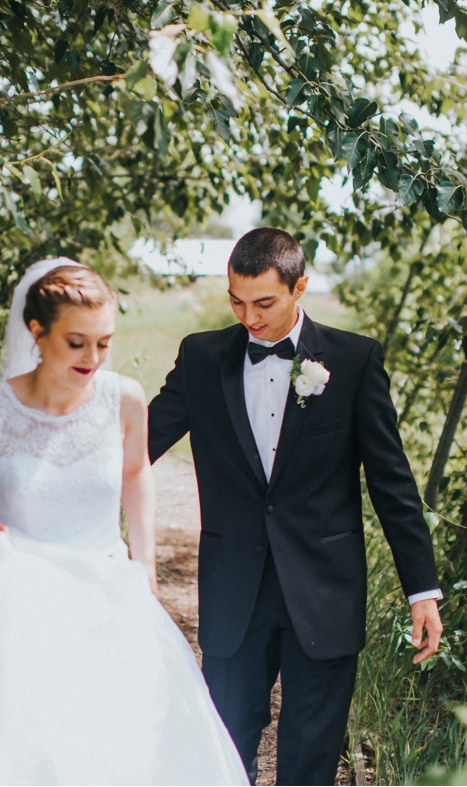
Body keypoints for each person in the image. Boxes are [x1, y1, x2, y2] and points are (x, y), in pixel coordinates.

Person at [0, 259, 247, 785]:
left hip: (107, 588)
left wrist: (145, 566)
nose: (93, 358)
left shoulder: (124, 400)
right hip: (20, 596)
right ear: (37, 332)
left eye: (104, 342)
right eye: (77, 343)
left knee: (122, 737)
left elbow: (136, 474)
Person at [147, 228, 444, 785]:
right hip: (234, 588)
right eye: (236, 301)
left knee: (311, 757)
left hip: (325, 590)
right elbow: (139, 446)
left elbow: (392, 482)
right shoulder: (201, 357)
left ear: (299, 287)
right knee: (223, 748)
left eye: (263, 302)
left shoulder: (354, 360)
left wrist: (421, 590)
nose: (249, 318)